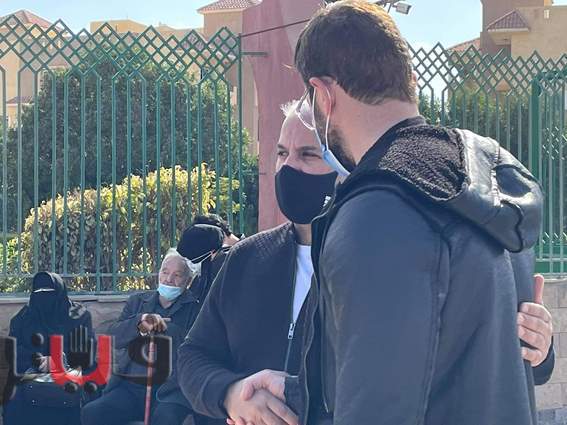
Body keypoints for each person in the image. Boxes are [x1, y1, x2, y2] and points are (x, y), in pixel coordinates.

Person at [177, 98, 554, 425]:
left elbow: (456, 368)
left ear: (344, 161)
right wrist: (232, 393)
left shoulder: (380, 254)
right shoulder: (245, 260)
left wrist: (538, 350)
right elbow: (193, 357)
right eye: (280, 153)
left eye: (307, 154)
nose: (288, 168)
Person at [269, 1, 550, 424]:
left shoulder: (376, 214)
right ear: (409, 80)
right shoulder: (488, 180)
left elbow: (378, 402)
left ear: (323, 95)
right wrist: (292, 390)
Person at [81, 249, 200, 425]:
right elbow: (115, 337)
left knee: (166, 419)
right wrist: (140, 323)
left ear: (188, 281)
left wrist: (166, 329)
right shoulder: (137, 302)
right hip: (132, 385)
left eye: (177, 275)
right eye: (165, 272)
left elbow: (194, 346)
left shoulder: (195, 308)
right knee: (93, 412)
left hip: (170, 390)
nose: (168, 279)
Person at [3, 271, 94, 425]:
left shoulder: (79, 317)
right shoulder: (25, 317)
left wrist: (60, 360)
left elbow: (87, 353)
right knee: (13, 393)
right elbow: (12, 351)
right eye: (39, 292)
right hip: (31, 373)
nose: (44, 297)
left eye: (49, 292)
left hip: (70, 372)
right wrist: (38, 360)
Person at [177, 223, 228, 304]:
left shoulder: (222, 268)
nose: (188, 262)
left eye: (190, 258)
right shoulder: (206, 269)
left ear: (211, 252)